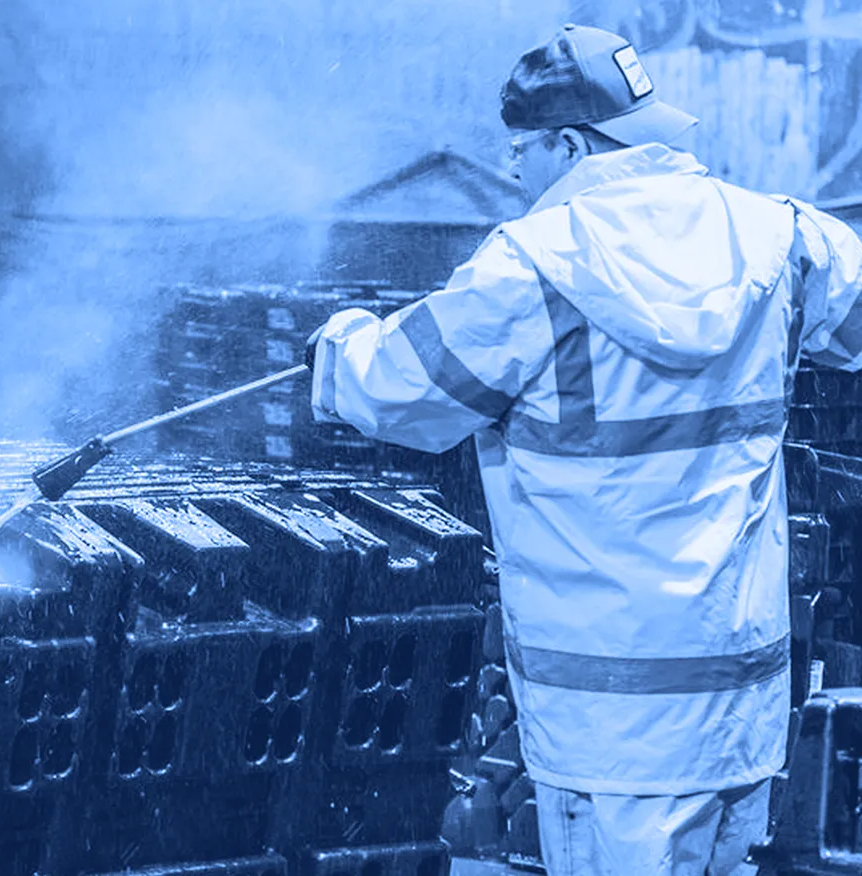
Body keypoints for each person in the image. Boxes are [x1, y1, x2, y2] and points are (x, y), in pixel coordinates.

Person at [304, 23, 862, 876]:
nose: (516, 171)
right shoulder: (781, 236)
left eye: (521, 150)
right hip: (743, 713)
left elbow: (394, 393)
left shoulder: (532, 266)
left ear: (569, 142)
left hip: (610, 730)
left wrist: (339, 339)